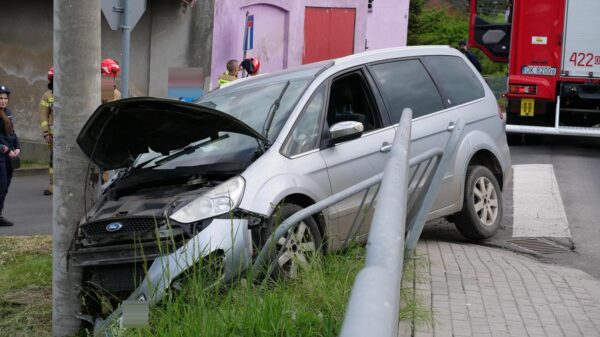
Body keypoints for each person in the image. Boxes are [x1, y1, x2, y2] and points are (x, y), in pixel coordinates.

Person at [0, 85, 21, 226]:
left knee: (6, 186)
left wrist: (17, 147)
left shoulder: (8, 112)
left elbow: (12, 133)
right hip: (1, 155)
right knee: (1, 186)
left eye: (5, 98)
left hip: (9, 156)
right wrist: (6, 149)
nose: (3, 101)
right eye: (0, 98)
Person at [39, 67, 54, 195]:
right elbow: (43, 116)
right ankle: (52, 184)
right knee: (53, 160)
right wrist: (46, 132)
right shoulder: (47, 95)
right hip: (54, 135)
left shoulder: (68, 92)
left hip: (69, 134)